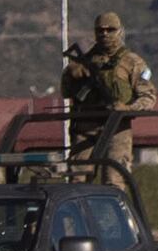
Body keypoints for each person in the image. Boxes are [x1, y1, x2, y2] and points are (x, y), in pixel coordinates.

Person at [58, 11, 152, 181]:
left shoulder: (132, 62)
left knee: (114, 179)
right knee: (77, 181)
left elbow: (148, 97)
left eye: (110, 29)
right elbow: (66, 93)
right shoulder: (83, 61)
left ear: (120, 31)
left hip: (117, 126)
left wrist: (128, 108)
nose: (105, 34)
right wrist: (70, 75)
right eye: (100, 30)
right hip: (86, 126)